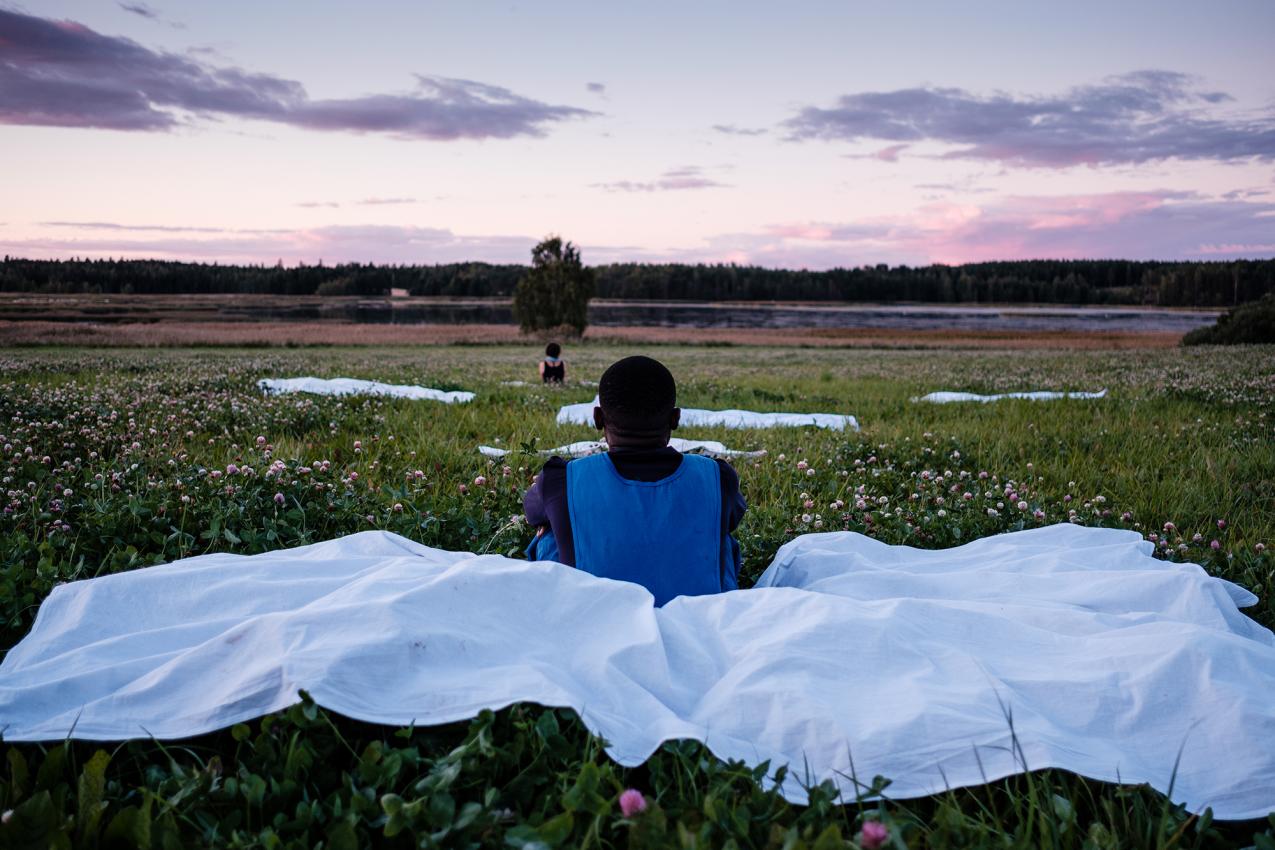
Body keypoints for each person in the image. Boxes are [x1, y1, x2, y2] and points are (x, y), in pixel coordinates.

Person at [523, 355, 746, 605]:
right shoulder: (718, 477)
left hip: (591, 612)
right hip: (702, 611)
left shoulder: (562, 478)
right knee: (720, 530)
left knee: (552, 526)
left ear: (598, 418)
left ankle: (563, 599)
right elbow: (734, 515)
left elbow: (532, 513)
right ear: (675, 419)